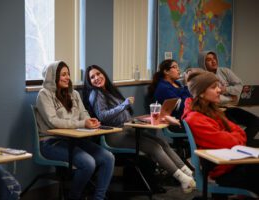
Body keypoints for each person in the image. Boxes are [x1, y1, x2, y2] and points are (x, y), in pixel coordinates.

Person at [82, 64, 196, 194]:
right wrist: (123, 105)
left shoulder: (108, 91)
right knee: (154, 147)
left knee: (161, 142)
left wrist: (138, 119)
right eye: (92, 77)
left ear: (103, 74)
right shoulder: (95, 94)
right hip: (114, 135)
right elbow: (102, 116)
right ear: (89, 82)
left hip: (127, 128)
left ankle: (188, 172)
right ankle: (184, 180)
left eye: (98, 74)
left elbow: (121, 115)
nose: (96, 78)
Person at [36, 61, 115, 200]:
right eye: (63, 74)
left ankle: (99, 198)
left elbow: (83, 113)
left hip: (74, 140)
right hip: (50, 143)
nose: (67, 77)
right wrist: (82, 123)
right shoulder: (44, 94)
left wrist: (90, 121)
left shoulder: (74, 93)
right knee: (88, 163)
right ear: (53, 76)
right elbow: (53, 121)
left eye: (68, 74)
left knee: (108, 157)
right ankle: (74, 197)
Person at [182, 70, 259, 195]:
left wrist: (235, 138)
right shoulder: (195, 118)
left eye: (218, 86)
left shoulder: (211, 111)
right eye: (214, 87)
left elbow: (239, 132)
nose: (219, 90)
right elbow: (230, 143)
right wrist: (236, 138)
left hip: (231, 165)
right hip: (222, 171)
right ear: (201, 93)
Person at [198, 50, 259, 147]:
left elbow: (240, 87)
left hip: (230, 108)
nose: (213, 61)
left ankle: (242, 145)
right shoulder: (202, 77)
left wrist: (226, 89)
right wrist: (231, 97)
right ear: (203, 63)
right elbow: (216, 99)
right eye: (209, 60)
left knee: (256, 121)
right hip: (215, 110)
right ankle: (241, 145)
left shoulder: (225, 71)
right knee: (234, 128)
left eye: (214, 58)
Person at [148, 59, 191, 132]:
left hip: (186, 118)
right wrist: (186, 85)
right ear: (166, 71)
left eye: (178, 67)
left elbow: (189, 100)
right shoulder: (163, 88)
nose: (178, 69)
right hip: (175, 122)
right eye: (174, 67)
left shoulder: (177, 84)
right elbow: (182, 106)